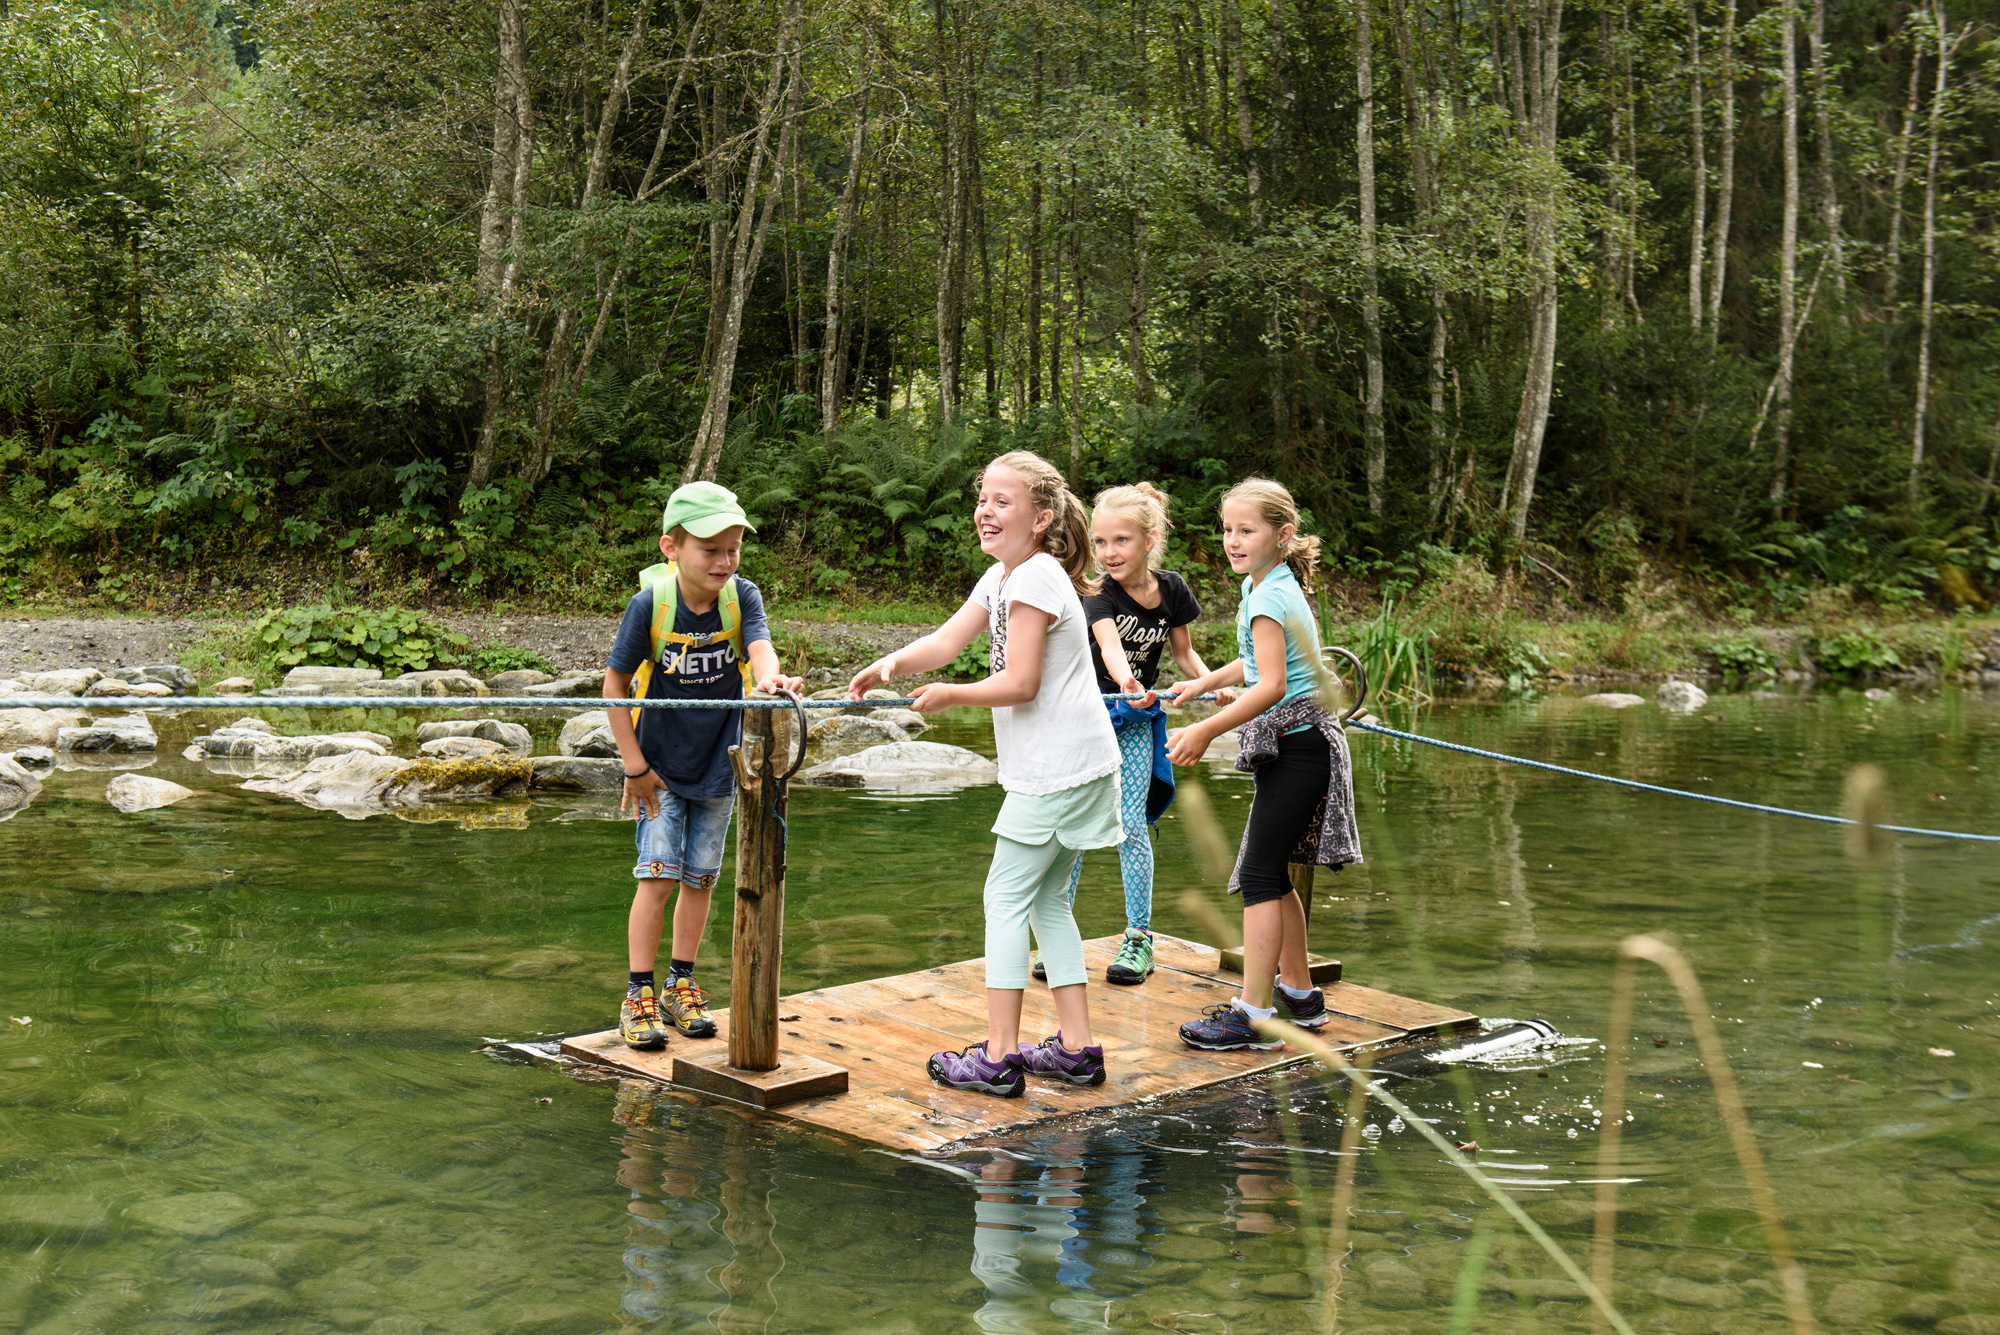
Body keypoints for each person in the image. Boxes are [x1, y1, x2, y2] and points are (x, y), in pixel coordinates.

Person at [849, 450, 1119, 1098]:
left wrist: (951, 694)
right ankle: (1076, 1049)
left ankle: (999, 1056)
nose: (986, 510)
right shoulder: (1005, 576)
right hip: (1076, 766)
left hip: (1056, 772)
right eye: (982, 498)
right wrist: (888, 666)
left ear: (1041, 516)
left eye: (1003, 500)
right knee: (1048, 900)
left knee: (1004, 900)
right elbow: (946, 641)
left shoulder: (1036, 579)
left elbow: (1020, 682)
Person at [1161, 478, 1363, 1051]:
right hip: (1298, 747)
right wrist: (1204, 681)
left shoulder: (1270, 594)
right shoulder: (1267, 585)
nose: (1232, 540)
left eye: (1246, 530)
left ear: (1284, 534)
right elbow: (1255, 661)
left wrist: (1204, 728)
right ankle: (1299, 996)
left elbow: (1271, 685)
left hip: (1301, 748)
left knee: (1256, 876)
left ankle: (1254, 1014)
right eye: (1227, 529)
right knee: (1272, 873)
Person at [604, 481, 802, 1050]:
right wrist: (634, 766)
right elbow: (614, 684)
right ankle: (637, 993)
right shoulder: (651, 605)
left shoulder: (743, 596)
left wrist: (772, 679)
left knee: (700, 878)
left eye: (733, 548)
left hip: (721, 766)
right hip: (660, 769)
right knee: (657, 877)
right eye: (709, 549)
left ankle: (680, 983)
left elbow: (759, 649)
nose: (724, 560)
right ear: (672, 548)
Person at [1035, 482, 1225, 987]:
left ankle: (1138, 938)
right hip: (1088, 718)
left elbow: (1183, 654)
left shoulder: (1174, 589)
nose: (1108, 553)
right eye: (1100, 542)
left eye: (1120, 541)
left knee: (1132, 827)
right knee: (1072, 827)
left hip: (1138, 722)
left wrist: (1211, 687)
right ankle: (1059, 936)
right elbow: (1110, 647)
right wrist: (1126, 680)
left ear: (1149, 540)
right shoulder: (1098, 593)